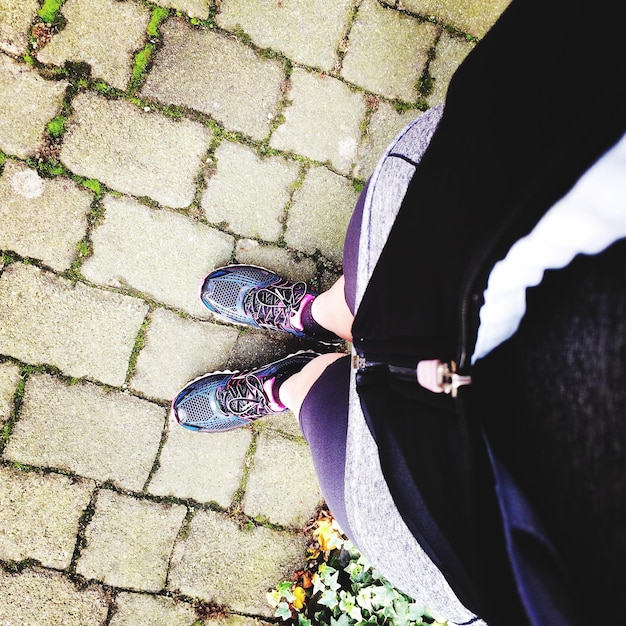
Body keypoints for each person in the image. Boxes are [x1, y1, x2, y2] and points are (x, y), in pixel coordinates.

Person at [171, 0, 626, 623]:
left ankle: (289, 382)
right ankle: (317, 315)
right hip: (491, 249)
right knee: (373, 296)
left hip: (458, 531)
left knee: (318, 401)